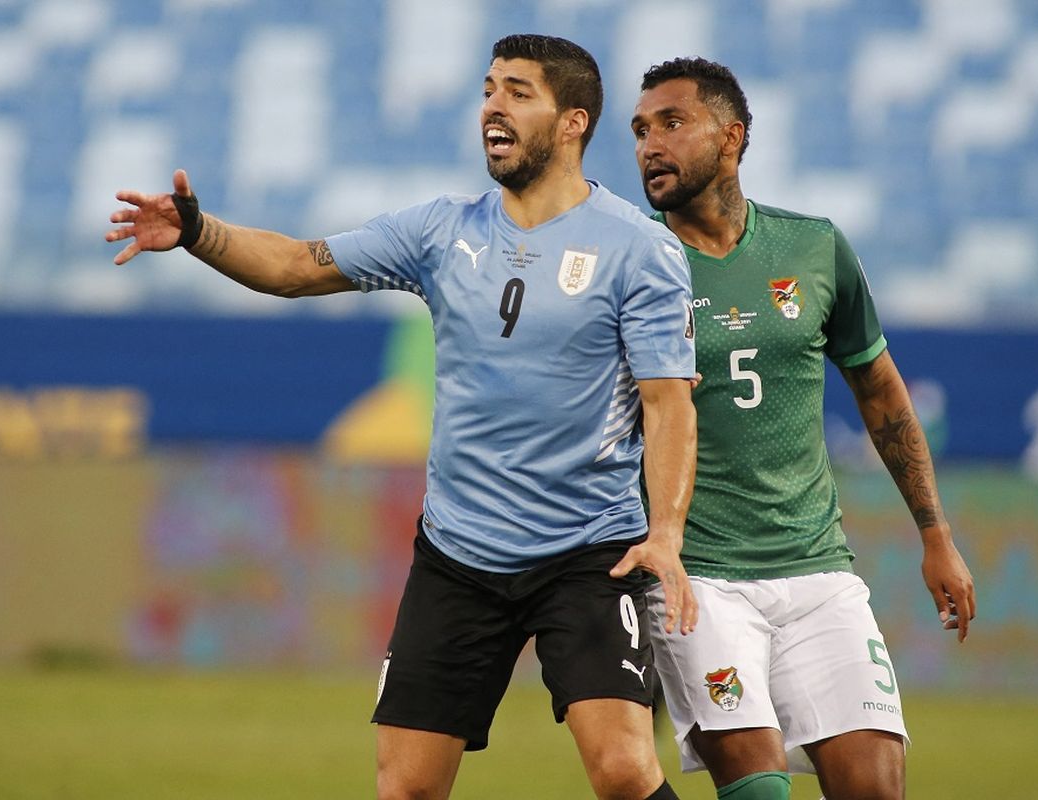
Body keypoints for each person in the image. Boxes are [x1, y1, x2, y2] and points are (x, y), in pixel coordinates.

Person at [107, 34, 698, 800]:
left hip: (587, 552)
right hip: (460, 552)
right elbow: (294, 266)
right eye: (489, 88)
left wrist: (666, 534)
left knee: (622, 769)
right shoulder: (441, 230)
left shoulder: (637, 249)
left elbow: (669, 402)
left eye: (519, 91)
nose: (493, 104)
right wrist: (197, 232)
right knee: (406, 788)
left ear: (574, 120)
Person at [629, 57, 978, 800]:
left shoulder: (814, 247)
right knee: (759, 789)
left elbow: (880, 393)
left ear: (732, 137)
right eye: (638, 130)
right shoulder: (632, 263)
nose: (648, 145)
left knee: (876, 790)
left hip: (818, 573)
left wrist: (936, 535)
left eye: (671, 123)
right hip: (702, 580)